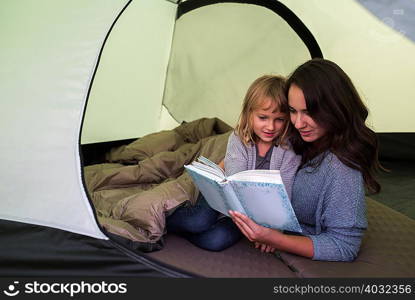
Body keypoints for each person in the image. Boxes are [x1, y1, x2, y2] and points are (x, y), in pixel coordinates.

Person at [230, 58, 382, 261]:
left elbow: (344, 246)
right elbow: (247, 137)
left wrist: (274, 238)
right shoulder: (293, 132)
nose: (299, 123)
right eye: (292, 111)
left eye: (309, 112)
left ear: (335, 108)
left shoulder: (342, 169)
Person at [166, 75, 301, 252]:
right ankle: (166, 221)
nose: (270, 126)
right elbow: (235, 180)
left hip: (250, 215)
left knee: (215, 241)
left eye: (279, 119)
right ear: (249, 114)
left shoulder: (289, 150)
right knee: (198, 220)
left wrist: (274, 231)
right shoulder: (239, 139)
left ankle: (184, 233)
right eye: (263, 117)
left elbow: (285, 194)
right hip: (223, 197)